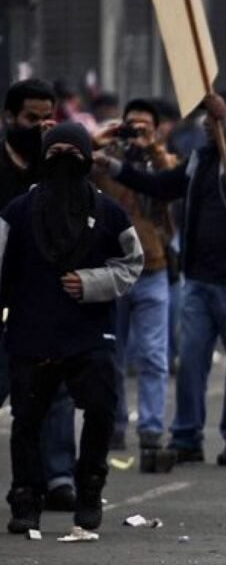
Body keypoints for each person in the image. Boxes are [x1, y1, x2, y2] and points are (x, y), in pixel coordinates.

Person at [97, 91, 226, 466]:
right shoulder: (200, 158)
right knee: (191, 361)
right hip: (200, 277)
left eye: (211, 118)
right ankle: (186, 436)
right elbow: (164, 185)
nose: (203, 124)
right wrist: (114, 167)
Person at [2, 122, 143, 533]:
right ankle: (26, 501)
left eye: (71, 149)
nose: (63, 156)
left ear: (85, 157)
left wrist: (92, 282)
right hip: (31, 332)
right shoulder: (17, 212)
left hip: (89, 332)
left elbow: (130, 265)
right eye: (55, 148)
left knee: (100, 412)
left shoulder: (110, 213)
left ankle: (89, 491)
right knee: (27, 420)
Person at [0, 78, 80, 512]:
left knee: (56, 390)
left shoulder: (57, 169)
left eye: (48, 119)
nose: (40, 128)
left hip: (45, 299)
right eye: (32, 119)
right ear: (9, 119)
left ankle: (59, 477)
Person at [93, 98, 178, 452]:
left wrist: (150, 147)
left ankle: (151, 429)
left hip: (153, 267)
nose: (136, 131)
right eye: (131, 125)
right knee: (111, 355)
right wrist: (99, 141)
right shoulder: (104, 160)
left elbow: (171, 183)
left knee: (154, 357)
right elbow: (81, 174)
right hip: (113, 268)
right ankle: (114, 425)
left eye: (144, 125)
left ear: (157, 130)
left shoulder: (164, 160)